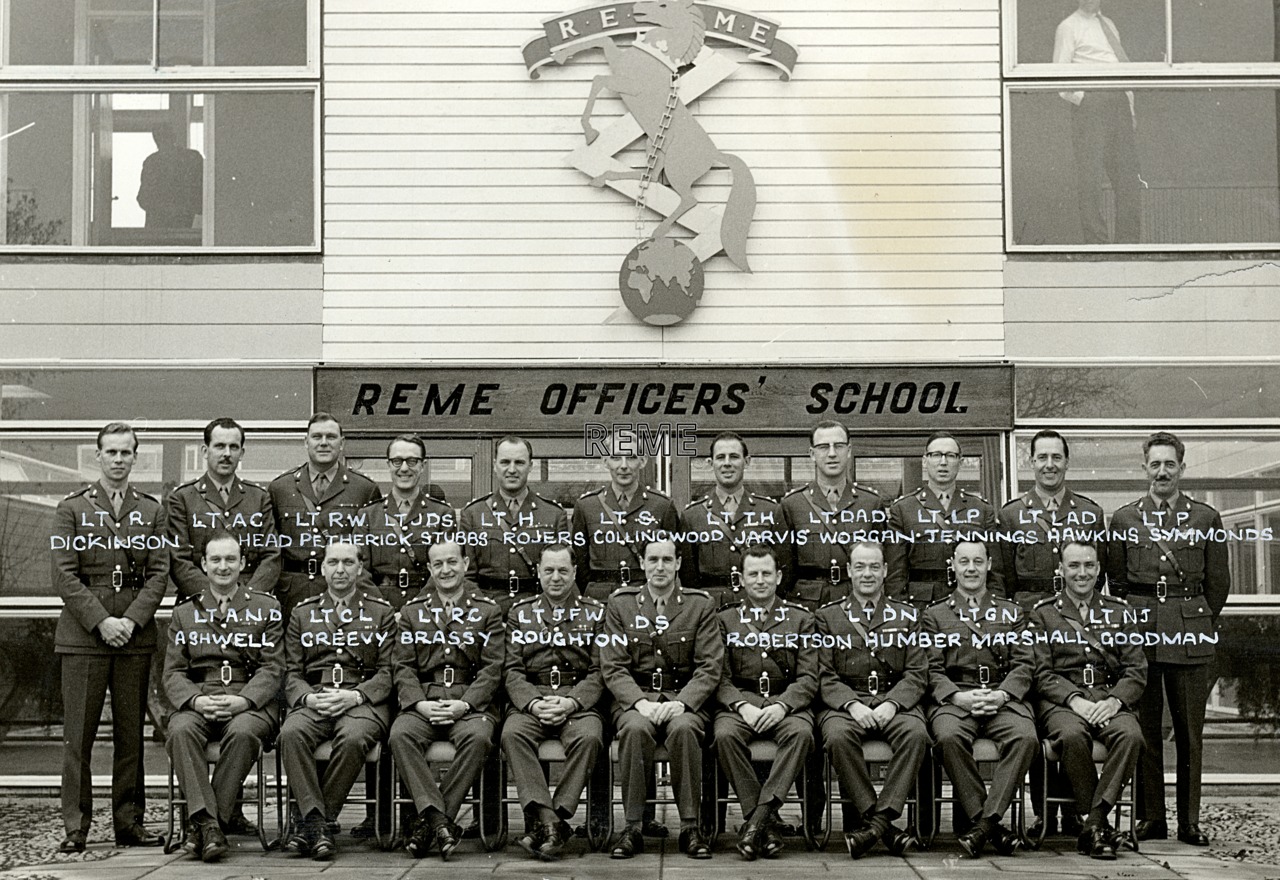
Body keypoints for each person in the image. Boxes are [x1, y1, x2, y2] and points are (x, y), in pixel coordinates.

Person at [1104, 431, 1229, 847]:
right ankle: (1152, 817)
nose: (1162, 472)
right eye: (1155, 464)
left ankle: (1189, 822)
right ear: (1144, 468)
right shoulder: (1124, 519)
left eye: (1169, 464)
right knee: (1145, 730)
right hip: (1141, 630)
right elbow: (1117, 582)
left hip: (1189, 632)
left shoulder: (1205, 518)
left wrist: (1192, 617)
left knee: (1189, 733)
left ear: (1182, 468)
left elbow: (1218, 585)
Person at [52, 422, 168, 853]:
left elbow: (158, 574)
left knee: (130, 735)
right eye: (111, 452)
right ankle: (75, 827)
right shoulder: (71, 509)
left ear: (136, 458)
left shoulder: (152, 511)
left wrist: (132, 622)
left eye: (126, 453)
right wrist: (101, 621)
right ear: (97, 456)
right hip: (84, 637)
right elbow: (63, 574)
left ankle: (128, 823)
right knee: (78, 735)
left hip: (134, 638)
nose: (119, 460)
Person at [996, 428, 1105, 838]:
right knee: (1039, 713)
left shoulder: (1090, 514)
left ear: (1066, 461)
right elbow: (1004, 579)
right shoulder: (1010, 515)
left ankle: (1077, 812)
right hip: (1028, 625)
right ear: (1030, 463)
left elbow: (1098, 570)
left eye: (1056, 457)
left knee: (1066, 710)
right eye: (1041, 457)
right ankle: (1044, 809)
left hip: (1074, 626)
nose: (1049, 464)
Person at [163, 530, 284, 861]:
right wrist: (196, 701)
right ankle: (210, 825)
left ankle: (201, 825)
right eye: (215, 559)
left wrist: (244, 700)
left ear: (243, 563)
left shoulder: (265, 606)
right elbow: (172, 673)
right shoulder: (184, 613)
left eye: (231, 559)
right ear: (203, 564)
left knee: (244, 731)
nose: (223, 566)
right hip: (200, 697)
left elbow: (273, 668)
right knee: (181, 729)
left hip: (249, 701)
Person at [601, 537, 723, 859]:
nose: (660, 567)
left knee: (684, 729)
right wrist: (640, 702)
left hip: (683, 698)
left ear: (679, 564)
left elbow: (710, 666)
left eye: (667, 560)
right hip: (635, 699)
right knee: (635, 729)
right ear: (641, 563)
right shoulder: (621, 604)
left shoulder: (700, 605)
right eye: (653, 559)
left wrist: (681, 702)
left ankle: (689, 827)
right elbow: (612, 666)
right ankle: (632, 828)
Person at [1030, 541, 1147, 860]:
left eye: (1088, 566)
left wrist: (1114, 702)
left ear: (1098, 569)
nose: (1081, 573)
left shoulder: (1119, 612)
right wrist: (1075, 701)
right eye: (1074, 566)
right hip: (1064, 705)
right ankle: (1099, 826)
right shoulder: (1043, 614)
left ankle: (1093, 824)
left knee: (1131, 736)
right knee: (1071, 736)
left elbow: (1136, 669)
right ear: (1061, 570)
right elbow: (1041, 673)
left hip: (1109, 699)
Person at [279, 541, 394, 860]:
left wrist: (356, 695)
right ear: (322, 568)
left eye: (347, 563)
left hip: (362, 701)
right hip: (316, 698)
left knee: (354, 737)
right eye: (333, 563)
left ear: (360, 568)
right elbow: (291, 672)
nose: (340, 570)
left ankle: (313, 824)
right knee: (290, 734)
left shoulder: (381, 612)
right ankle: (319, 824)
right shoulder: (302, 613)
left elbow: (388, 672)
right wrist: (308, 698)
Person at [389, 540, 504, 860]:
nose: (446, 570)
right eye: (438, 564)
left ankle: (430, 822)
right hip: (424, 701)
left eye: (452, 562)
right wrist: (419, 703)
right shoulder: (412, 612)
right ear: (429, 569)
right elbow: (403, 666)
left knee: (479, 738)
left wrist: (465, 704)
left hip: (469, 704)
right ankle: (441, 821)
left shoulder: (488, 610)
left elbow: (493, 669)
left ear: (466, 565)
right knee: (400, 734)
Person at [923, 538, 1036, 858]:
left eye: (977, 561)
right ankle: (990, 824)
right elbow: (930, 669)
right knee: (946, 737)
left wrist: (1002, 694)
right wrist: (957, 698)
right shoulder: (935, 615)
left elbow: (1024, 663)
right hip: (957, 699)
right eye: (964, 562)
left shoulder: (1012, 613)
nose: (971, 568)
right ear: (953, 567)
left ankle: (983, 825)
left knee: (1025, 738)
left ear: (988, 565)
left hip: (1003, 697)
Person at [815, 541, 928, 859]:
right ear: (849, 571)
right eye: (860, 567)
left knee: (916, 734)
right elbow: (824, 674)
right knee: (837, 736)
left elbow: (917, 672)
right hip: (848, 702)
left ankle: (874, 825)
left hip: (895, 700)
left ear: (885, 571)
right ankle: (885, 826)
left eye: (874, 567)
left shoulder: (907, 615)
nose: (867, 574)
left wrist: (893, 703)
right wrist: (853, 704)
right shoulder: (827, 618)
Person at [502, 543, 606, 860]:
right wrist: (533, 703)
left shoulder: (595, 613)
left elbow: (600, 670)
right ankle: (552, 822)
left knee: (589, 737)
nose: (556, 577)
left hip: (577, 703)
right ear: (538, 572)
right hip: (532, 699)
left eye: (563, 570)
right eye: (549, 570)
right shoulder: (520, 614)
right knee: (512, 734)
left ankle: (552, 818)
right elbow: (512, 670)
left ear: (575, 572)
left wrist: (572, 702)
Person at [714, 546, 815, 860]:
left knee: (801, 734)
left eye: (766, 573)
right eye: (753, 574)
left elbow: (809, 678)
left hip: (786, 703)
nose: (760, 580)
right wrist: (742, 706)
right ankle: (763, 823)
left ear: (779, 576)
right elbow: (719, 677)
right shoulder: (725, 619)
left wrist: (782, 706)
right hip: (741, 704)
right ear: (742, 579)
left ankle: (756, 820)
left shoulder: (801, 619)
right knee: (724, 735)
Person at [269, 413, 381, 620]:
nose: (323, 443)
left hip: (344, 590)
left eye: (330, 437)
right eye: (316, 437)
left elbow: (369, 552)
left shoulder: (364, 489)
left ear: (342, 443)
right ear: (306, 442)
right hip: (293, 591)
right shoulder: (280, 487)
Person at [1054, 0, 1141, 244]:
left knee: (1128, 179)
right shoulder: (1068, 27)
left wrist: (1130, 109)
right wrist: (1085, 99)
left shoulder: (1110, 24)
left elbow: (1123, 69)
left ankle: (1129, 245)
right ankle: (1097, 245)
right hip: (1092, 105)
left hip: (1119, 104)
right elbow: (1058, 77)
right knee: (1090, 180)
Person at [886, 432, 1000, 609]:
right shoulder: (903, 509)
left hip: (970, 606)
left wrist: (993, 614)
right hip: (922, 607)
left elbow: (995, 574)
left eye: (950, 456)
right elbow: (895, 575)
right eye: (936, 455)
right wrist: (902, 616)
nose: (943, 462)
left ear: (960, 462)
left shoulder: (981, 509)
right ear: (925, 461)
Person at [781, 421, 886, 610]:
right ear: (812, 454)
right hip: (808, 604)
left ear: (849, 450)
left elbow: (882, 560)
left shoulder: (871, 503)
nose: (831, 453)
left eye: (838, 446)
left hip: (855, 601)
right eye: (823, 447)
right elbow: (785, 568)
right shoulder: (792, 504)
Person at [459, 436, 570, 612]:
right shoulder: (473, 514)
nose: (512, 469)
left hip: (536, 611)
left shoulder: (554, 514)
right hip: (487, 611)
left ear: (530, 466)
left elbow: (564, 574)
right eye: (505, 462)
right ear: (495, 466)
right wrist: (485, 613)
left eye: (519, 462)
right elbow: (466, 576)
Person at [681, 432, 790, 609]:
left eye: (734, 457)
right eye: (720, 457)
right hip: (712, 610)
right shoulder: (692, 516)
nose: (727, 464)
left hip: (757, 607)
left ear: (747, 461)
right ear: (710, 463)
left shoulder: (770, 510)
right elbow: (689, 577)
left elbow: (785, 569)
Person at [572, 433, 678, 601]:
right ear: (605, 461)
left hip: (646, 597)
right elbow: (579, 562)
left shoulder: (662, 506)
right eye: (615, 457)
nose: (623, 466)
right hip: (601, 599)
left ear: (643, 461)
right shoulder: (586, 506)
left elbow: (674, 558)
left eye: (631, 457)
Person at [358, 434, 456, 615]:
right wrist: (382, 610)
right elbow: (359, 571)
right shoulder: (368, 515)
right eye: (397, 461)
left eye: (412, 461)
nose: (404, 468)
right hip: (377, 611)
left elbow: (445, 570)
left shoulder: (442, 514)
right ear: (388, 464)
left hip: (428, 611)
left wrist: (414, 611)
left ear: (422, 466)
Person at [137, 125, 203, 229]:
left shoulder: (152, 161)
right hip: (186, 222)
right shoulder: (192, 157)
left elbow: (143, 198)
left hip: (157, 224)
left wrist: (160, 207)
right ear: (174, 137)